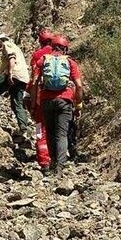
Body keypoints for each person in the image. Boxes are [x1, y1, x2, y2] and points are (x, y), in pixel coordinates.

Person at [30, 35, 83, 176]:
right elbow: (78, 85)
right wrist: (79, 105)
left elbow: (34, 83)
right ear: (65, 48)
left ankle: (52, 163)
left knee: (50, 134)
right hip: (64, 100)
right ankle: (59, 168)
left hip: (46, 101)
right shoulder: (70, 62)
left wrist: (35, 104)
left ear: (51, 47)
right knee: (62, 134)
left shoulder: (42, 60)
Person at [0, 34, 31, 140]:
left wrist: (10, 74)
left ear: (0, 41)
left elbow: (11, 58)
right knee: (17, 104)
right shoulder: (16, 47)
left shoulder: (7, 44)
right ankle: (23, 127)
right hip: (23, 78)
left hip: (13, 75)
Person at [27, 29, 55, 170]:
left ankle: (44, 161)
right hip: (59, 98)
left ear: (40, 41)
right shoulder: (59, 54)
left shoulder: (37, 56)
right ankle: (57, 159)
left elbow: (33, 80)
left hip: (40, 99)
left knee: (40, 130)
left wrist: (32, 104)